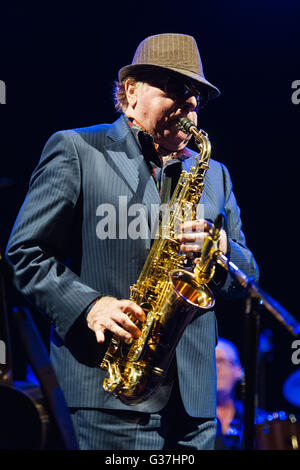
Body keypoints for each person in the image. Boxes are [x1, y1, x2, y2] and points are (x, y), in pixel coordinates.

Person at [5, 33, 259, 450]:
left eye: (196, 95)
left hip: (195, 407)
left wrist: (222, 251)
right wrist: (90, 306)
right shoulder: (77, 149)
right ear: (131, 91)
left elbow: (249, 273)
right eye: (175, 89)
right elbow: (23, 254)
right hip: (107, 397)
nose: (190, 104)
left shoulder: (216, 174)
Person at [214, 338, 244, 449]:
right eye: (211, 362)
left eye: (221, 361)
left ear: (238, 370)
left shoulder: (255, 418)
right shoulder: (191, 421)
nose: (215, 367)